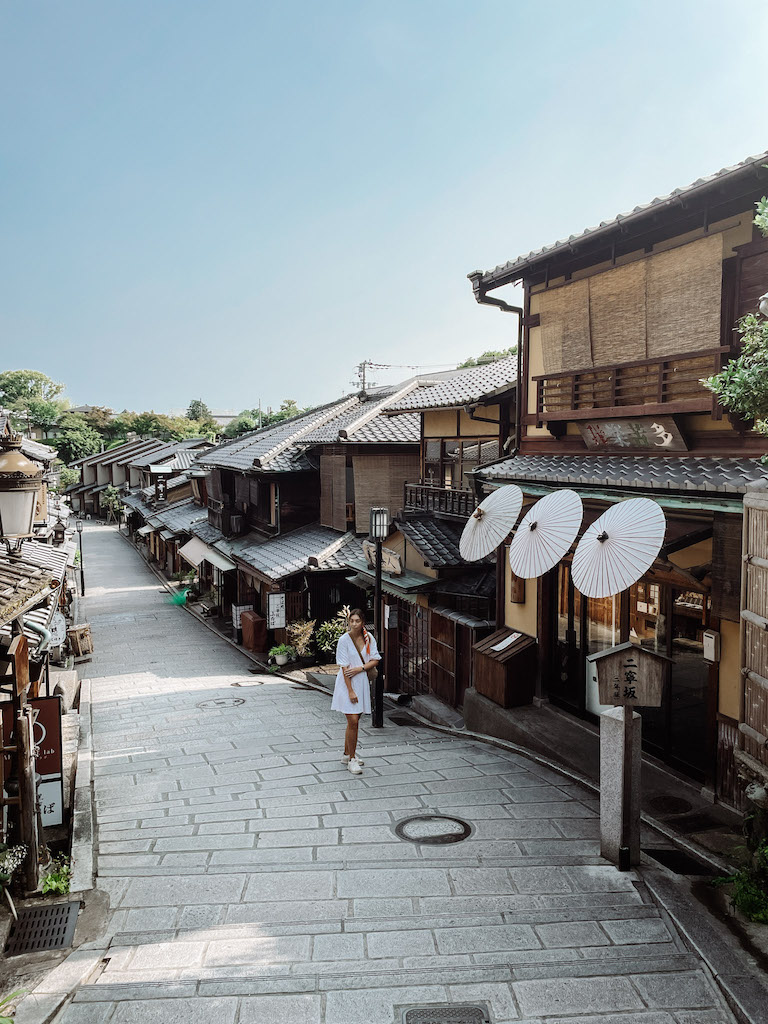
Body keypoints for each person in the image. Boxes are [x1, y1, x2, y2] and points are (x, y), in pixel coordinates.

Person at [331, 608, 381, 774]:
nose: (354, 624)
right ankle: (352, 759)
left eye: (357, 621)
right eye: (351, 621)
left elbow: (375, 660)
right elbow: (344, 668)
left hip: (361, 681)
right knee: (353, 721)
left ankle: (346, 754)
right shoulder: (344, 640)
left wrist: (360, 668)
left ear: (362, 623)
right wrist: (350, 691)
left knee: (354, 720)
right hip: (347, 683)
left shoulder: (368, 637)